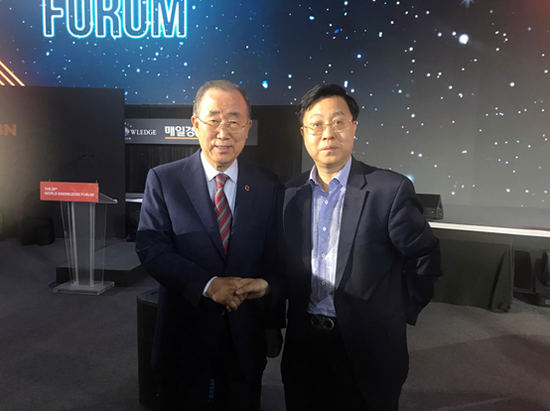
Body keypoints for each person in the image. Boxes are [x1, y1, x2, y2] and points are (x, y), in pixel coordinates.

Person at [281, 83, 442, 411]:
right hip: (305, 345)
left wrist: (395, 313)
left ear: (353, 127)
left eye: (338, 122)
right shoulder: (289, 193)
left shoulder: (389, 190)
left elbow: (425, 258)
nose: (328, 133)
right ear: (303, 133)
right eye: (316, 125)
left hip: (371, 346)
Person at [135, 80, 281, 411]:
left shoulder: (268, 184)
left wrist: (272, 316)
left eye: (233, 121)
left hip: (245, 335)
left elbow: (275, 256)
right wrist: (208, 284)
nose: (223, 132)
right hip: (184, 332)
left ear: (247, 127)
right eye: (213, 119)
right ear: (195, 124)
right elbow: (151, 248)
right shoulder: (164, 179)